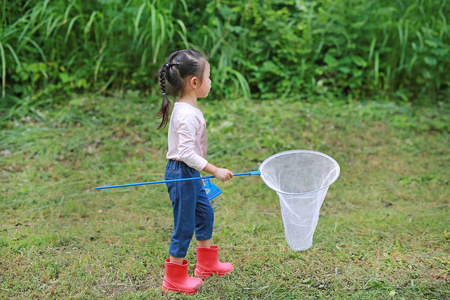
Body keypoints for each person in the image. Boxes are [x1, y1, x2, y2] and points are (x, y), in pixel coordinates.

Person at [156, 49, 234, 294]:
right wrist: (214, 170)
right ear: (194, 82)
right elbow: (188, 155)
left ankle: (207, 265)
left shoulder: (188, 109)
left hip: (190, 174)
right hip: (182, 173)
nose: (211, 82)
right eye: (208, 77)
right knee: (184, 226)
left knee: (205, 215)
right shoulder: (187, 115)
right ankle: (174, 278)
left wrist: (201, 175)